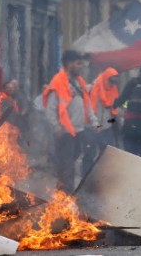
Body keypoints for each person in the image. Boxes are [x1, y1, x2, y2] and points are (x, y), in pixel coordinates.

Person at [43, 50, 99, 192]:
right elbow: (50, 109)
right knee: (67, 166)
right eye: (78, 63)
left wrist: (94, 122)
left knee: (71, 163)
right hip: (65, 132)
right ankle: (66, 197)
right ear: (69, 64)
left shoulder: (80, 82)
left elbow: (87, 105)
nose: (81, 66)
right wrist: (57, 128)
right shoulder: (58, 82)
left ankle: (63, 192)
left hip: (78, 131)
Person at [89, 68, 120, 155]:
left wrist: (115, 119)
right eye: (111, 81)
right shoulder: (93, 88)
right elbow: (88, 107)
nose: (112, 84)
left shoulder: (113, 90)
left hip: (107, 126)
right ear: (106, 78)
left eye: (115, 82)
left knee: (108, 153)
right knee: (90, 154)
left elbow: (115, 108)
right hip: (94, 126)